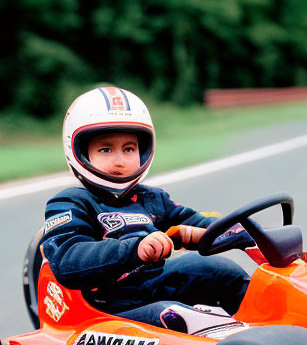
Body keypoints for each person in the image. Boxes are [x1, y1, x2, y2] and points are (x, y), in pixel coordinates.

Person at [41, 86, 251, 327]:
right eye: (106, 149)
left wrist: (242, 233)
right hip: (107, 309)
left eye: (128, 149)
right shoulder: (70, 202)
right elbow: (68, 261)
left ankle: (270, 329)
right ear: (79, 151)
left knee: (220, 271)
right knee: (175, 315)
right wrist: (135, 250)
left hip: (155, 285)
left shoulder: (152, 198)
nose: (120, 160)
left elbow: (196, 221)